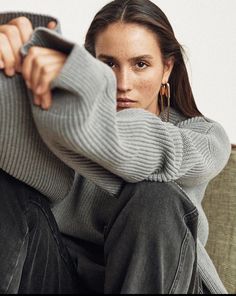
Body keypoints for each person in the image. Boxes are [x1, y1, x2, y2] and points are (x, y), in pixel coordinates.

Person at [0, 0, 231, 294]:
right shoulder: (64, 125)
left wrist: (77, 86)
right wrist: (16, 58)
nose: (122, 83)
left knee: (154, 195)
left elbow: (154, 153)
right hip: (63, 275)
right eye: (108, 64)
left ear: (166, 69)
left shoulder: (203, 136)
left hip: (167, 281)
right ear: (91, 61)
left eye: (141, 64)